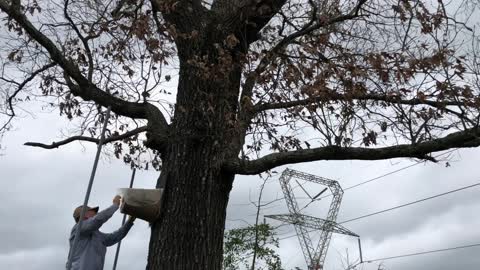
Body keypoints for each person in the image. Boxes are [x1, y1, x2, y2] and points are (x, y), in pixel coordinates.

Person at [67, 195, 136, 270]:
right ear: (84, 215)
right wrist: (115, 205)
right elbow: (97, 220)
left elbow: (114, 237)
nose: (96, 213)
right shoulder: (78, 229)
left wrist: (130, 221)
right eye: (93, 211)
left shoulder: (97, 235)